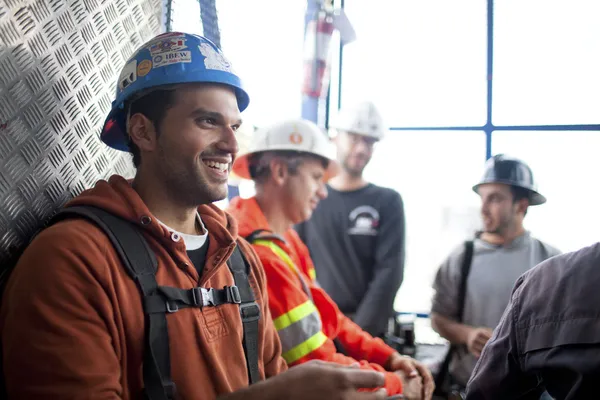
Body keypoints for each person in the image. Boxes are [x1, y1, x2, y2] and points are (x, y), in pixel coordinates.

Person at [0, 32, 393, 400]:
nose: (231, 144)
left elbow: (270, 376)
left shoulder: (239, 260)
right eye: (208, 121)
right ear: (143, 132)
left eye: (235, 126)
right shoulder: (73, 261)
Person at [227, 118, 434, 399]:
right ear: (279, 171)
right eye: (316, 178)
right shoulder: (259, 253)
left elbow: (329, 316)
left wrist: (388, 357)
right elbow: (317, 367)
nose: (323, 192)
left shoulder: (286, 239)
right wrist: (398, 384)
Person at [430, 154, 561, 391]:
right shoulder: (461, 258)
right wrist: (467, 334)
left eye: (495, 199)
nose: (483, 208)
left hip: (530, 391)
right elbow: (438, 318)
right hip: (466, 388)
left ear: (521, 205)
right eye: (482, 198)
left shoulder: (550, 261)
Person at [295, 101, 405, 338]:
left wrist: (357, 337)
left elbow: (389, 274)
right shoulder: (312, 199)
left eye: (369, 141)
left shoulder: (387, 202)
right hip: (317, 329)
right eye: (355, 138)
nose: (362, 149)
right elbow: (296, 266)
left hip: (366, 334)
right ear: (334, 138)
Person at [466, 243, 600, 399]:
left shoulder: (548, 267)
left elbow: (486, 392)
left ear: (519, 216)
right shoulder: (464, 255)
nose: (484, 216)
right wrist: (467, 334)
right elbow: (439, 316)